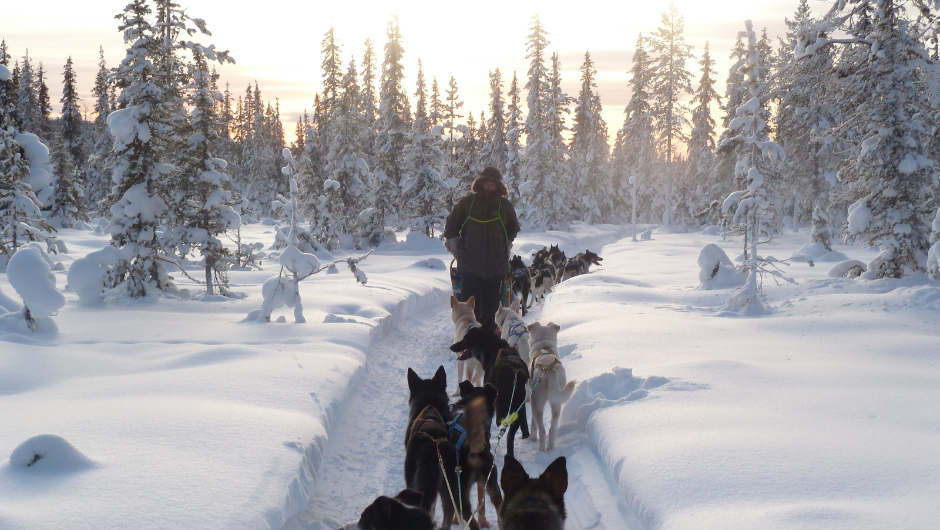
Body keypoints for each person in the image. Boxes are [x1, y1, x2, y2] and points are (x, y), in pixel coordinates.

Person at [444, 166, 521, 334]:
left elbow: (513, 228)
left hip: (496, 267)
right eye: (486, 182)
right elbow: (451, 225)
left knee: (492, 310)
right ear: (480, 183)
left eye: (493, 183)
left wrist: (504, 246)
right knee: (470, 310)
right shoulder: (467, 204)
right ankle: (470, 340)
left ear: (498, 185)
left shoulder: (505, 206)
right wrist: (458, 250)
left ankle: (489, 344)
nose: (489, 185)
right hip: (470, 266)